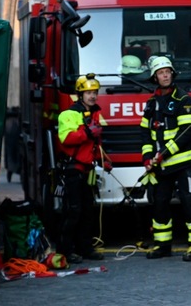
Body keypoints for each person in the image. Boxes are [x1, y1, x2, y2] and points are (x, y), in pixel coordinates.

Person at [140, 56, 191, 262]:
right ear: (155, 77)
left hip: (184, 164)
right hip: (160, 167)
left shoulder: (183, 99)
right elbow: (145, 134)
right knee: (159, 205)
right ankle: (162, 245)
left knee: (190, 203)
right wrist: (148, 157)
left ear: (173, 74)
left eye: (168, 71)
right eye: (161, 72)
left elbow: (186, 133)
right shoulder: (151, 104)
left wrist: (164, 154)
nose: (165, 75)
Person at [56, 73, 109, 263]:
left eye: (95, 92)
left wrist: (104, 160)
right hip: (72, 169)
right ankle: (64, 251)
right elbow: (66, 139)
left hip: (88, 169)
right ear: (80, 95)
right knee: (73, 210)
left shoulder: (94, 113)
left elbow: (95, 144)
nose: (93, 96)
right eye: (88, 93)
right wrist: (87, 131)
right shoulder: (68, 114)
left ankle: (85, 248)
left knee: (88, 210)